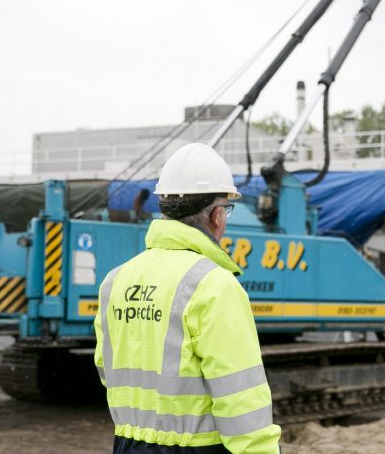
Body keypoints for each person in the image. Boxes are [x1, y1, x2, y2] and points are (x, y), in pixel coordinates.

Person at [94, 143, 281, 454]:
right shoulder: (214, 286)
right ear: (218, 216)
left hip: (128, 443)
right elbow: (241, 400)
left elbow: (106, 368)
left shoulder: (115, 281)